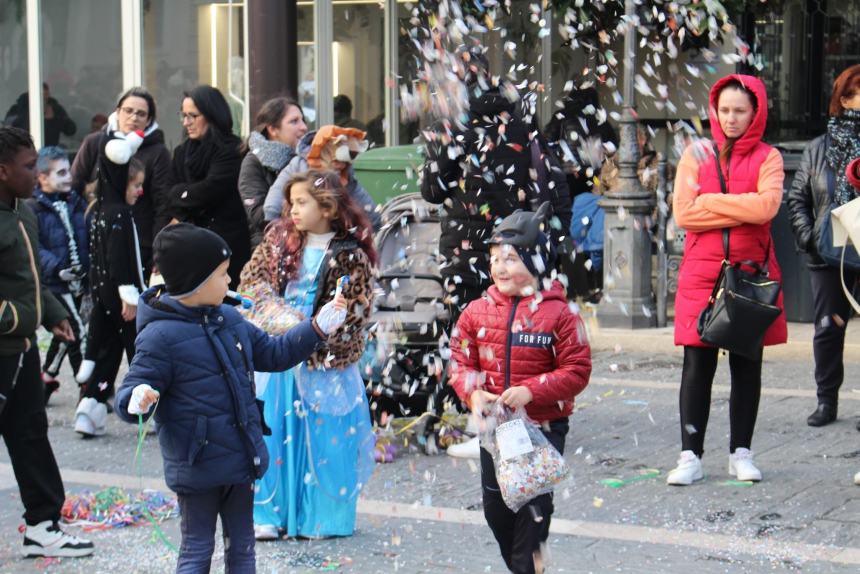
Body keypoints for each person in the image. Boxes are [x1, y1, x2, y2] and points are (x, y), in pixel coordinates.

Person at [115, 223, 348, 573]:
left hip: (241, 459)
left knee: (242, 548)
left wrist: (316, 328)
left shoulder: (229, 318)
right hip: (197, 466)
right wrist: (137, 399)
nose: (229, 282)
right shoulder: (159, 336)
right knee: (197, 548)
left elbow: (274, 352)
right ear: (195, 281)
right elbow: (134, 386)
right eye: (222, 274)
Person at [448, 204, 591, 574]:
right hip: (496, 430)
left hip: (542, 428)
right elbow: (459, 361)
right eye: (495, 259)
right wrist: (473, 392)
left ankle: (528, 564)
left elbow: (577, 370)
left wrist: (532, 390)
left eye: (510, 258)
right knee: (497, 509)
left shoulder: (561, 313)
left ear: (537, 260)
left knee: (532, 509)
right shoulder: (477, 310)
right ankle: (527, 565)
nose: (499, 267)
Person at [241, 170, 377, 540]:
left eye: (302, 202)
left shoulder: (349, 254)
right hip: (280, 357)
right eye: (292, 203)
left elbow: (353, 311)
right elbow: (253, 284)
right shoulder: (278, 242)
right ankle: (269, 511)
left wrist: (318, 336)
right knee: (274, 434)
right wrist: (278, 321)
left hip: (324, 364)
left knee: (325, 439)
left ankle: (323, 515)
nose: (293, 210)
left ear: (328, 206)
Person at [668, 75, 786, 486]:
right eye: (725, 111)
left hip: (750, 274)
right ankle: (690, 455)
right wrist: (741, 208)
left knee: (746, 364)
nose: (732, 118)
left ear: (756, 113)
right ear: (714, 112)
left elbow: (767, 207)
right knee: (696, 364)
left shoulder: (768, 157)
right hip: (701, 272)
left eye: (740, 111)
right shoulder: (695, 155)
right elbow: (684, 214)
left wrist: (711, 202)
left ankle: (741, 452)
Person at [420, 51, 571, 320]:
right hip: (514, 253)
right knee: (510, 338)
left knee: (466, 341)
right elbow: (551, 178)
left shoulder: (450, 125)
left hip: (465, 259)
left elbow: (432, 192)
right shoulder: (520, 120)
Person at [0, 126, 93, 557]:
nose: (36, 172)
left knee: (31, 434)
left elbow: (31, 272)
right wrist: (17, 318)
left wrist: (52, 315)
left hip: (20, 352)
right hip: (5, 345)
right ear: (2, 171)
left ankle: (43, 523)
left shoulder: (24, 211)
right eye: (27, 166)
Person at [786, 64, 860, 428]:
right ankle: (826, 401)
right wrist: (810, 238)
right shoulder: (818, 149)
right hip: (829, 252)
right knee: (829, 329)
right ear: (845, 100)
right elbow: (797, 199)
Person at [74, 151, 147, 438]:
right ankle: (148, 408)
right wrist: (129, 296)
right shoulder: (119, 214)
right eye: (135, 185)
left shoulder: (99, 210)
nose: (141, 191)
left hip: (106, 297)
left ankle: (90, 406)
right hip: (122, 300)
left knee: (108, 356)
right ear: (120, 183)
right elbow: (118, 259)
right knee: (141, 356)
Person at [72, 86, 171, 276]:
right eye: (128, 111)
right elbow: (75, 186)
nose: (134, 118)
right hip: (94, 237)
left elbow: (163, 206)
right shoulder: (95, 142)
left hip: (138, 242)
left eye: (141, 114)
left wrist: (158, 251)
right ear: (117, 112)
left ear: (149, 120)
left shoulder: (158, 153)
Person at [168, 85, 251, 289]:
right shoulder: (181, 152)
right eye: (183, 115)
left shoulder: (232, 149)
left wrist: (183, 194)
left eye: (193, 116)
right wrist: (185, 196)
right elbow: (169, 194)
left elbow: (210, 191)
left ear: (212, 114)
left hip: (226, 247)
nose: (186, 122)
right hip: (191, 246)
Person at [27, 146, 89, 404]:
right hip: (54, 285)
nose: (68, 177)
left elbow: (85, 236)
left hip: (77, 281)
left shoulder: (75, 202)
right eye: (60, 172)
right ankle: (88, 388)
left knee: (64, 334)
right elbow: (35, 247)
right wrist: (56, 267)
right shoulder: (35, 208)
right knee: (77, 333)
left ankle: (46, 377)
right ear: (42, 177)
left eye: (69, 171)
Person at [263, 125, 381, 230]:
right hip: (298, 229)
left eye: (345, 162)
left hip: (333, 233)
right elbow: (276, 194)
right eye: (336, 161)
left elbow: (366, 206)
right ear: (323, 155)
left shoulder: (346, 178)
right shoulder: (299, 166)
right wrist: (274, 221)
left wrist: (375, 223)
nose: (341, 165)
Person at [239, 97, 308, 248]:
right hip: (272, 248)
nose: (303, 127)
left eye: (303, 120)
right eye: (294, 121)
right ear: (273, 130)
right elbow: (259, 216)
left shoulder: (308, 158)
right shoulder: (253, 162)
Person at [544, 85, 618, 199]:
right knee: (592, 202)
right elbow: (614, 145)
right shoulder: (599, 119)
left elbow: (547, 143)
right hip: (594, 176)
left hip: (569, 174)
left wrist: (561, 160)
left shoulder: (561, 117)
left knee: (571, 206)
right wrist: (603, 150)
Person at [4, 83, 77, 147]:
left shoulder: (55, 109)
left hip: (50, 152)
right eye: (40, 97)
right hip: (24, 151)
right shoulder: (18, 109)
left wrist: (55, 119)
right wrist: (31, 115)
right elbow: (9, 129)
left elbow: (71, 130)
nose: (43, 101)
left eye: (46, 98)